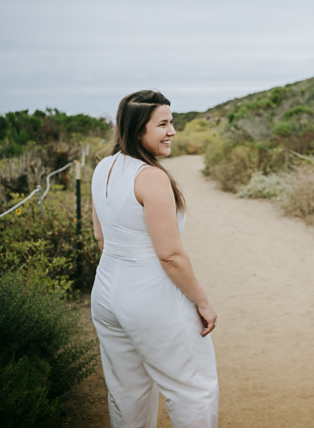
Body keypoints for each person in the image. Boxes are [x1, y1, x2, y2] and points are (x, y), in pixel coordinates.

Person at [91, 90, 219, 428]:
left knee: (126, 392)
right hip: (151, 296)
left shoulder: (103, 167)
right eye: (162, 124)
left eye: (171, 121)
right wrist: (202, 301)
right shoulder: (151, 176)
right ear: (137, 131)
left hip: (106, 292)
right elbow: (170, 256)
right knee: (193, 389)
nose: (172, 131)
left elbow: (101, 238)